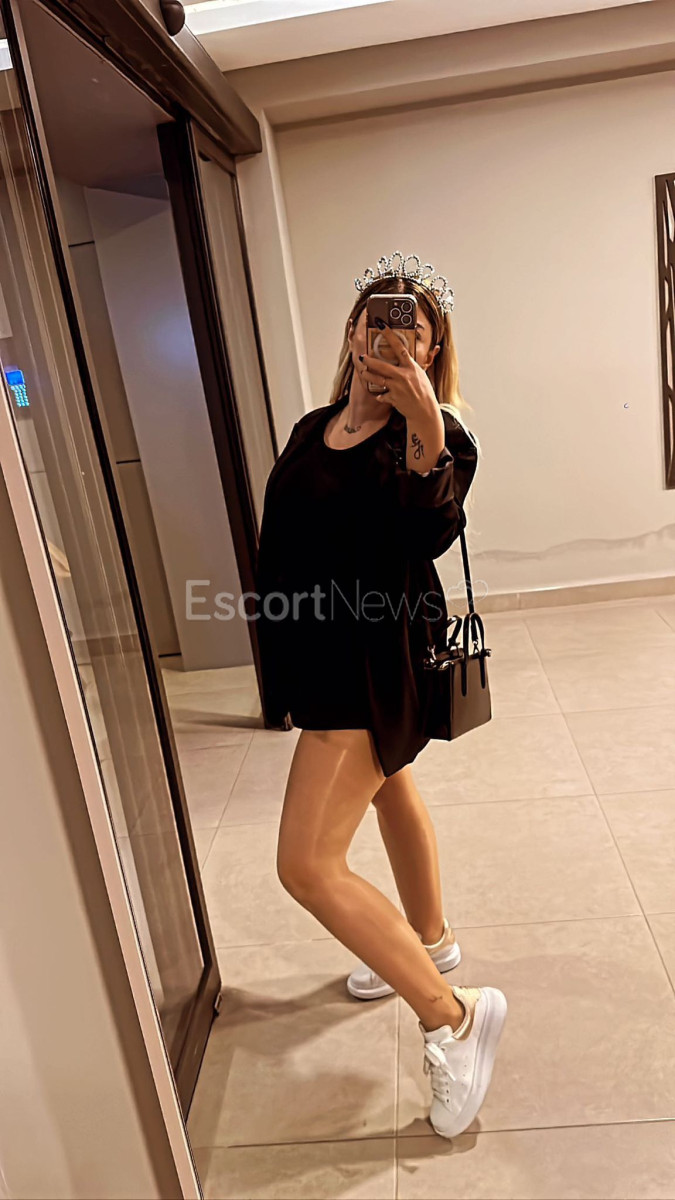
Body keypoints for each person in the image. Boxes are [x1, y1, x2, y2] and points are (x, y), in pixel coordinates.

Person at [253, 255, 507, 1139]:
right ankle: (428, 939)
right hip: (317, 656)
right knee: (390, 788)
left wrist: (424, 421)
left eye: (410, 325)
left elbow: (428, 530)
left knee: (306, 866)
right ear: (352, 331)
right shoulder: (311, 427)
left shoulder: (437, 438)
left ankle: (453, 1018)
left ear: (432, 348)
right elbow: (281, 543)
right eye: (374, 316)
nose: (387, 331)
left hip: (371, 665)